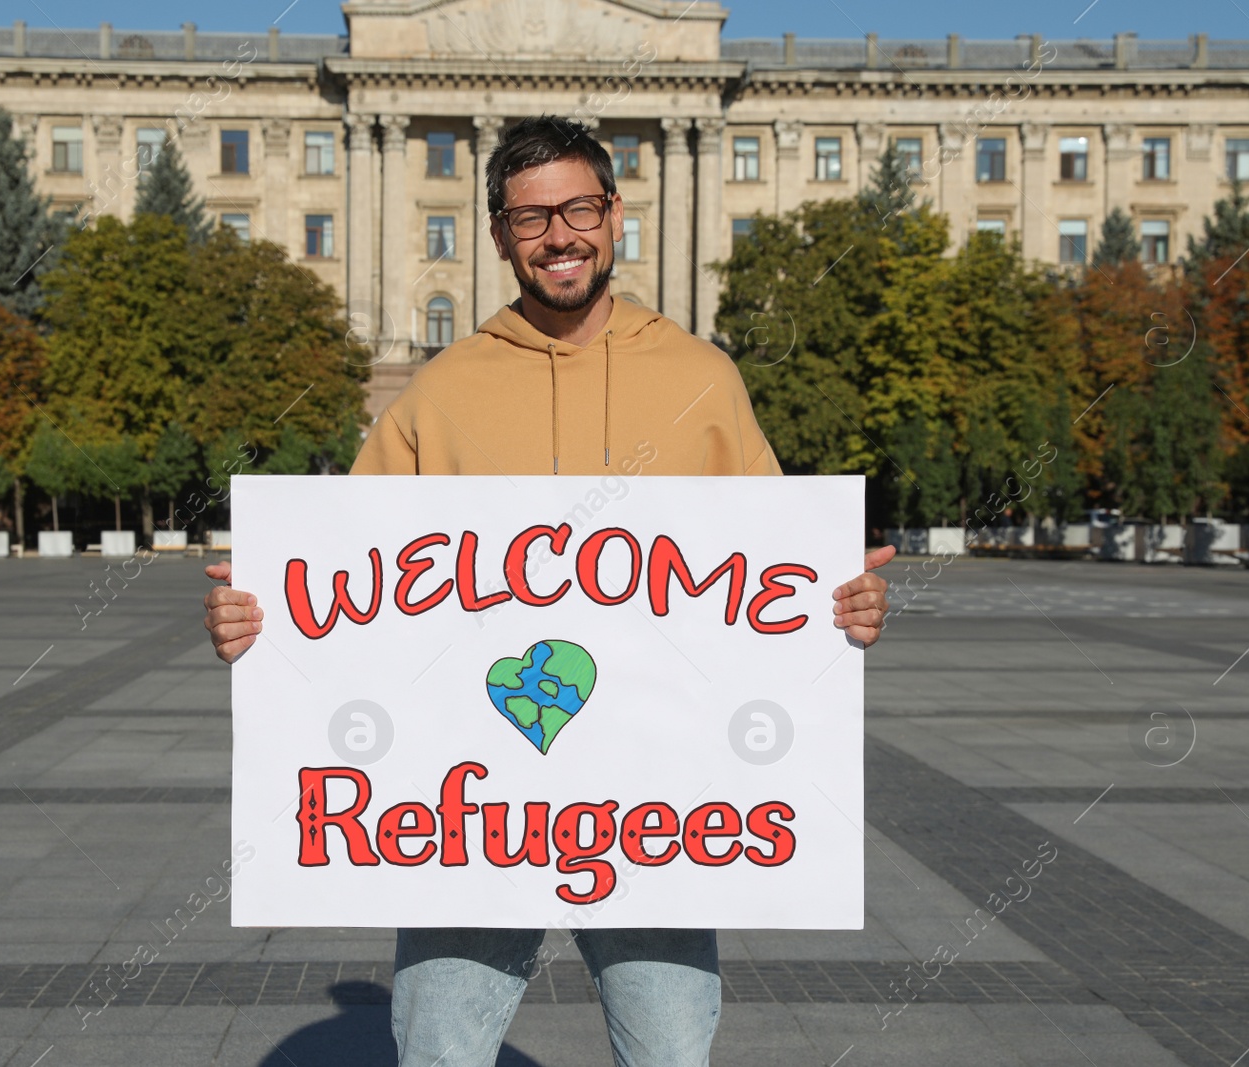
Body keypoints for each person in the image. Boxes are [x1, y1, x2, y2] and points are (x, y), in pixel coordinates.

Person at [204, 115, 893, 1067]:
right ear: (499, 235)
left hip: (661, 809)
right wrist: (262, 621)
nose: (558, 235)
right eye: (531, 219)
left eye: (578, 208)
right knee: (440, 1050)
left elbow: (776, 581)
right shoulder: (438, 393)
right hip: (469, 810)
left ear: (615, 214)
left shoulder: (704, 381)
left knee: (668, 1055)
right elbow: (342, 586)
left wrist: (842, 609)